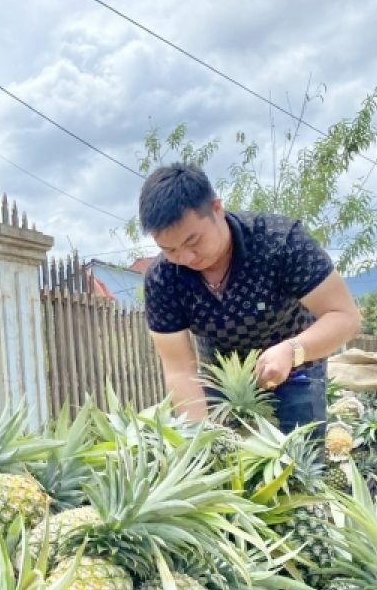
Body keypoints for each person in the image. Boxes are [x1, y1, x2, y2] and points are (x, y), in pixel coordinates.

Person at [140, 163, 362, 435]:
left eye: (193, 241)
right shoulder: (162, 278)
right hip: (225, 383)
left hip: (297, 371)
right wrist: (198, 438)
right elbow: (179, 370)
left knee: (300, 464)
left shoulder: (281, 242)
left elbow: (345, 317)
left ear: (217, 209)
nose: (185, 258)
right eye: (170, 249)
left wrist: (291, 351)